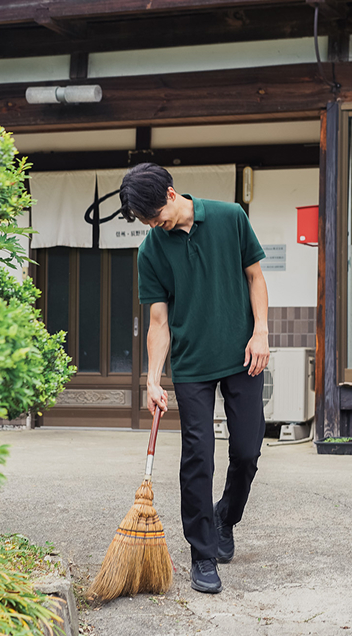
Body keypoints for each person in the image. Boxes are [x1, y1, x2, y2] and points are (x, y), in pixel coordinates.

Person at [119, 163, 269, 594]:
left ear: (170, 193)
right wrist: (152, 379)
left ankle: (227, 517)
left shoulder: (230, 218)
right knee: (198, 457)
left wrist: (260, 332)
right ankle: (202, 555)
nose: (153, 226)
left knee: (246, 451)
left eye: (155, 216)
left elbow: (255, 277)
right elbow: (158, 320)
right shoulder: (151, 250)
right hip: (191, 366)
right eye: (146, 222)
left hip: (243, 355)